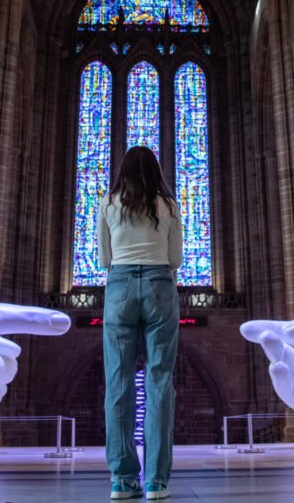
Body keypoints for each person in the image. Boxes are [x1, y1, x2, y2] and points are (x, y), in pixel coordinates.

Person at [97, 146, 183, 500]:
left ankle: (122, 479)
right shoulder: (169, 205)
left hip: (119, 286)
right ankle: (156, 482)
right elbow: (176, 258)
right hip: (161, 284)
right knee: (159, 381)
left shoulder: (108, 203)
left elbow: (104, 258)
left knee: (118, 382)